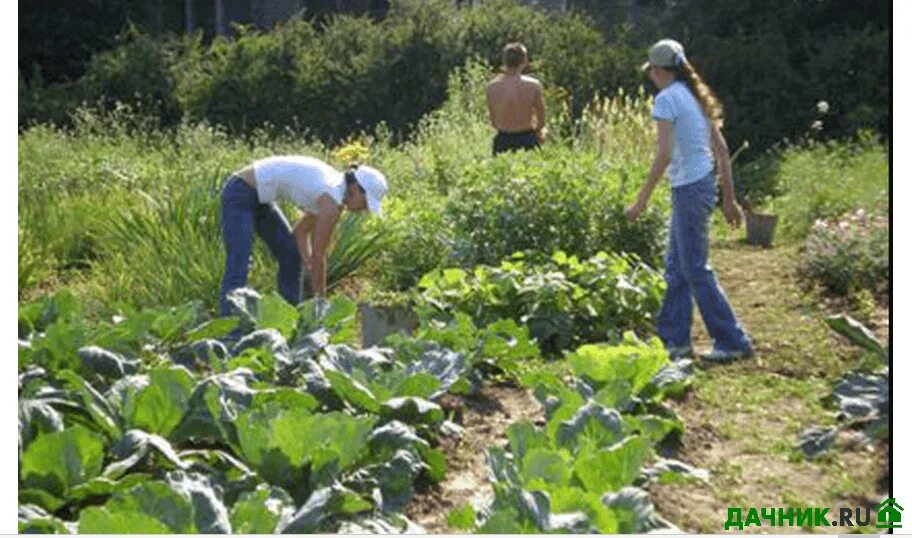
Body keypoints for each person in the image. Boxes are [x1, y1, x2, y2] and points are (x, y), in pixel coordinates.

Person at [624, 39, 753, 362]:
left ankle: (732, 340)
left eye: (651, 71)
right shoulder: (696, 97)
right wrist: (729, 199)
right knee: (676, 267)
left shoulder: (666, 100)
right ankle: (674, 341)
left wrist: (640, 201)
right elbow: (722, 151)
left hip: (689, 189)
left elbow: (664, 154)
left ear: (656, 70)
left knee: (694, 268)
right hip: (701, 186)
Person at [219, 155, 388, 316]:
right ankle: (231, 335)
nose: (364, 209)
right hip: (240, 192)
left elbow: (300, 232)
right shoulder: (331, 200)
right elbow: (319, 257)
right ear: (356, 188)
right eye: (366, 203)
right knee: (239, 261)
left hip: (261, 200)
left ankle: (289, 324)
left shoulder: (332, 193)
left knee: (291, 256)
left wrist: (306, 262)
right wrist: (320, 305)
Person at [485, 42, 547, 156]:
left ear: (504, 61)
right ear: (524, 61)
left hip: (503, 140)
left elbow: (493, 121)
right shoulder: (533, 85)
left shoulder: (491, 87)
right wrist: (537, 132)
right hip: (527, 139)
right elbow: (542, 120)